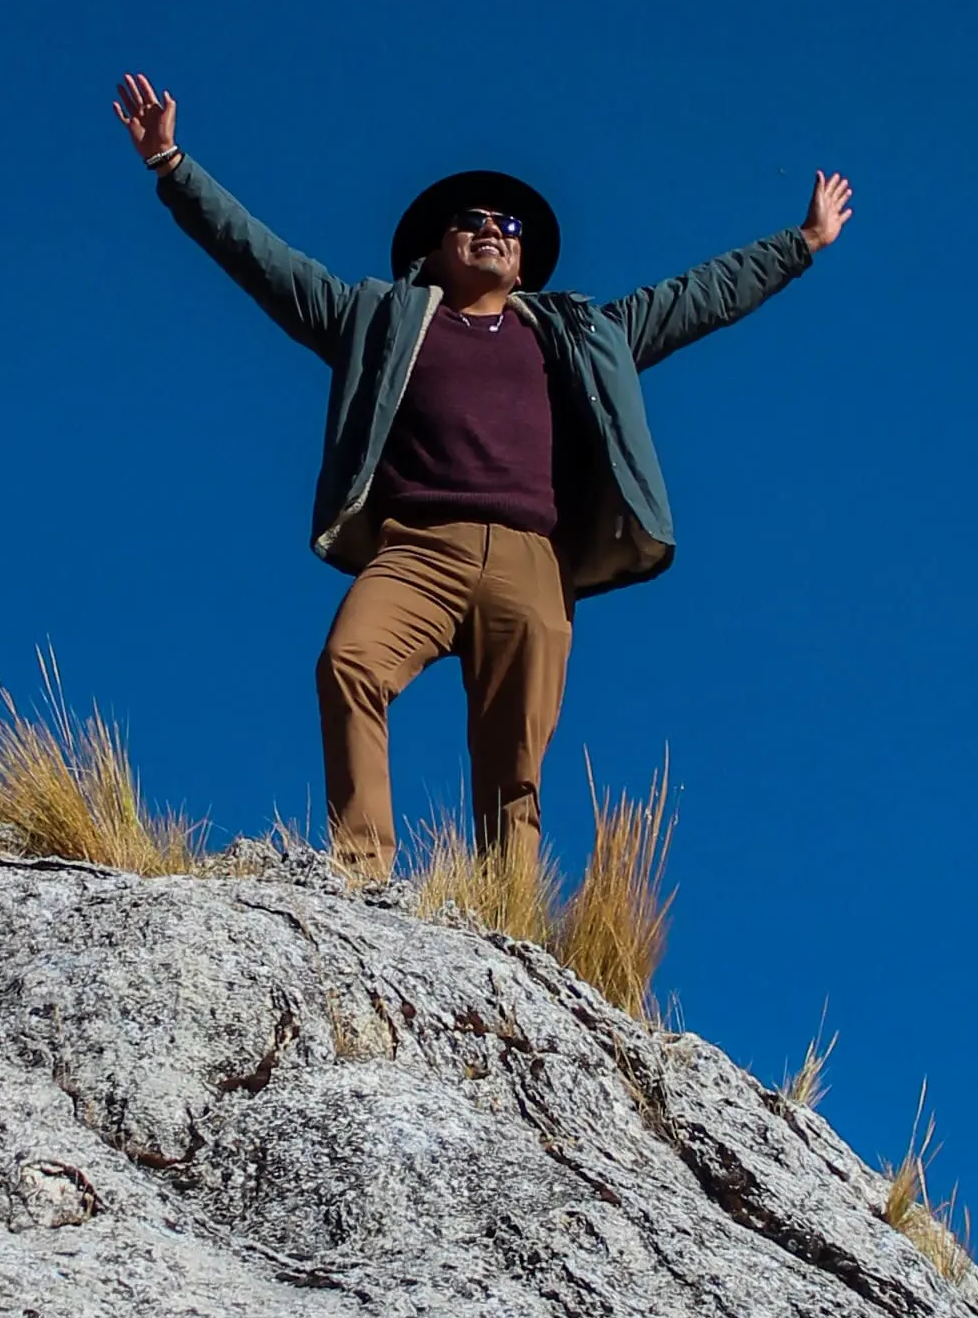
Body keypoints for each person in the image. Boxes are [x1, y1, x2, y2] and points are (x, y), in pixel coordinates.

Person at [112, 73, 853, 883]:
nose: (495, 230)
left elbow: (694, 297)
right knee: (350, 664)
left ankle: (509, 912)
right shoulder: (377, 318)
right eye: (472, 220)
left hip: (532, 563)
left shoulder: (580, 334)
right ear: (432, 247)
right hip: (419, 548)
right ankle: (362, 874)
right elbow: (264, 261)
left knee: (514, 765)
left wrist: (800, 245)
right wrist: (173, 167)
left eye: (509, 225)